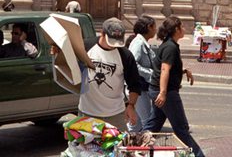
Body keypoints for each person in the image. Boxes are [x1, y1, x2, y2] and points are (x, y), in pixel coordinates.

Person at [143, 16, 205, 157]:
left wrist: (183, 71)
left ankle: (134, 148)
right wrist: (163, 93)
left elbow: (167, 68)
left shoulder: (169, 45)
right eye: (181, 27)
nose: (183, 29)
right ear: (176, 29)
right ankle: (198, 155)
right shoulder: (170, 47)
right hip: (167, 93)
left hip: (157, 90)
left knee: (153, 125)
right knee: (181, 128)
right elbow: (164, 69)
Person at [79, 17, 141, 130]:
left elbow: (135, 84)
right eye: (111, 41)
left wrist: (131, 106)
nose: (114, 45)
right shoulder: (86, 46)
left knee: (118, 146)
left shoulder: (125, 55)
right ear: (102, 33)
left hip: (116, 113)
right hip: (88, 111)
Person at [126, 15, 157, 132]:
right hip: (137, 89)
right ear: (149, 27)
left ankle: (127, 147)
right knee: (148, 122)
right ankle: (147, 148)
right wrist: (151, 74)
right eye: (154, 27)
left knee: (135, 125)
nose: (155, 30)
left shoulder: (143, 43)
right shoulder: (138, 43)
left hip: (141, 88)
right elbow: (133, 65)